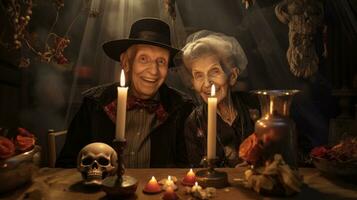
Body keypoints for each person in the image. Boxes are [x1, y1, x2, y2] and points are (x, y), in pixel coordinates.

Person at [56, 18, 193, 168]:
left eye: (161, 61)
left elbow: (186, 171)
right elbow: (66, 165)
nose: (153, 71)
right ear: (126, 62)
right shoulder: (94, 105)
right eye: (143, 59)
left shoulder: (181, 109)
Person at [180, 31, 259, 167]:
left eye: (214, 71)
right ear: (192, 82)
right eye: (198, 75)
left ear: (233, 75)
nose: (206, 83)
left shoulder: (255, 105)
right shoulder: (194, 122)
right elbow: (196, 172)